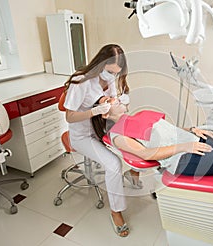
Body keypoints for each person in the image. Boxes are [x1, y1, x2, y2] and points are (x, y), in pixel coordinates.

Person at [64, 44, 134, 237]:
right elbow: (69, 117)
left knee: (136, 139)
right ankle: (116, 212)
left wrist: (115, 104)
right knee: (113, 164)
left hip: (100, 128)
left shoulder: (108, 80)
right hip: (82, 136)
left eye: (116, 73)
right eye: (110, 71)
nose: (112, 77)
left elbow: (107, 103)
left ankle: (135, 174)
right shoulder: (81, 81)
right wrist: (94, 111)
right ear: (101, 64)